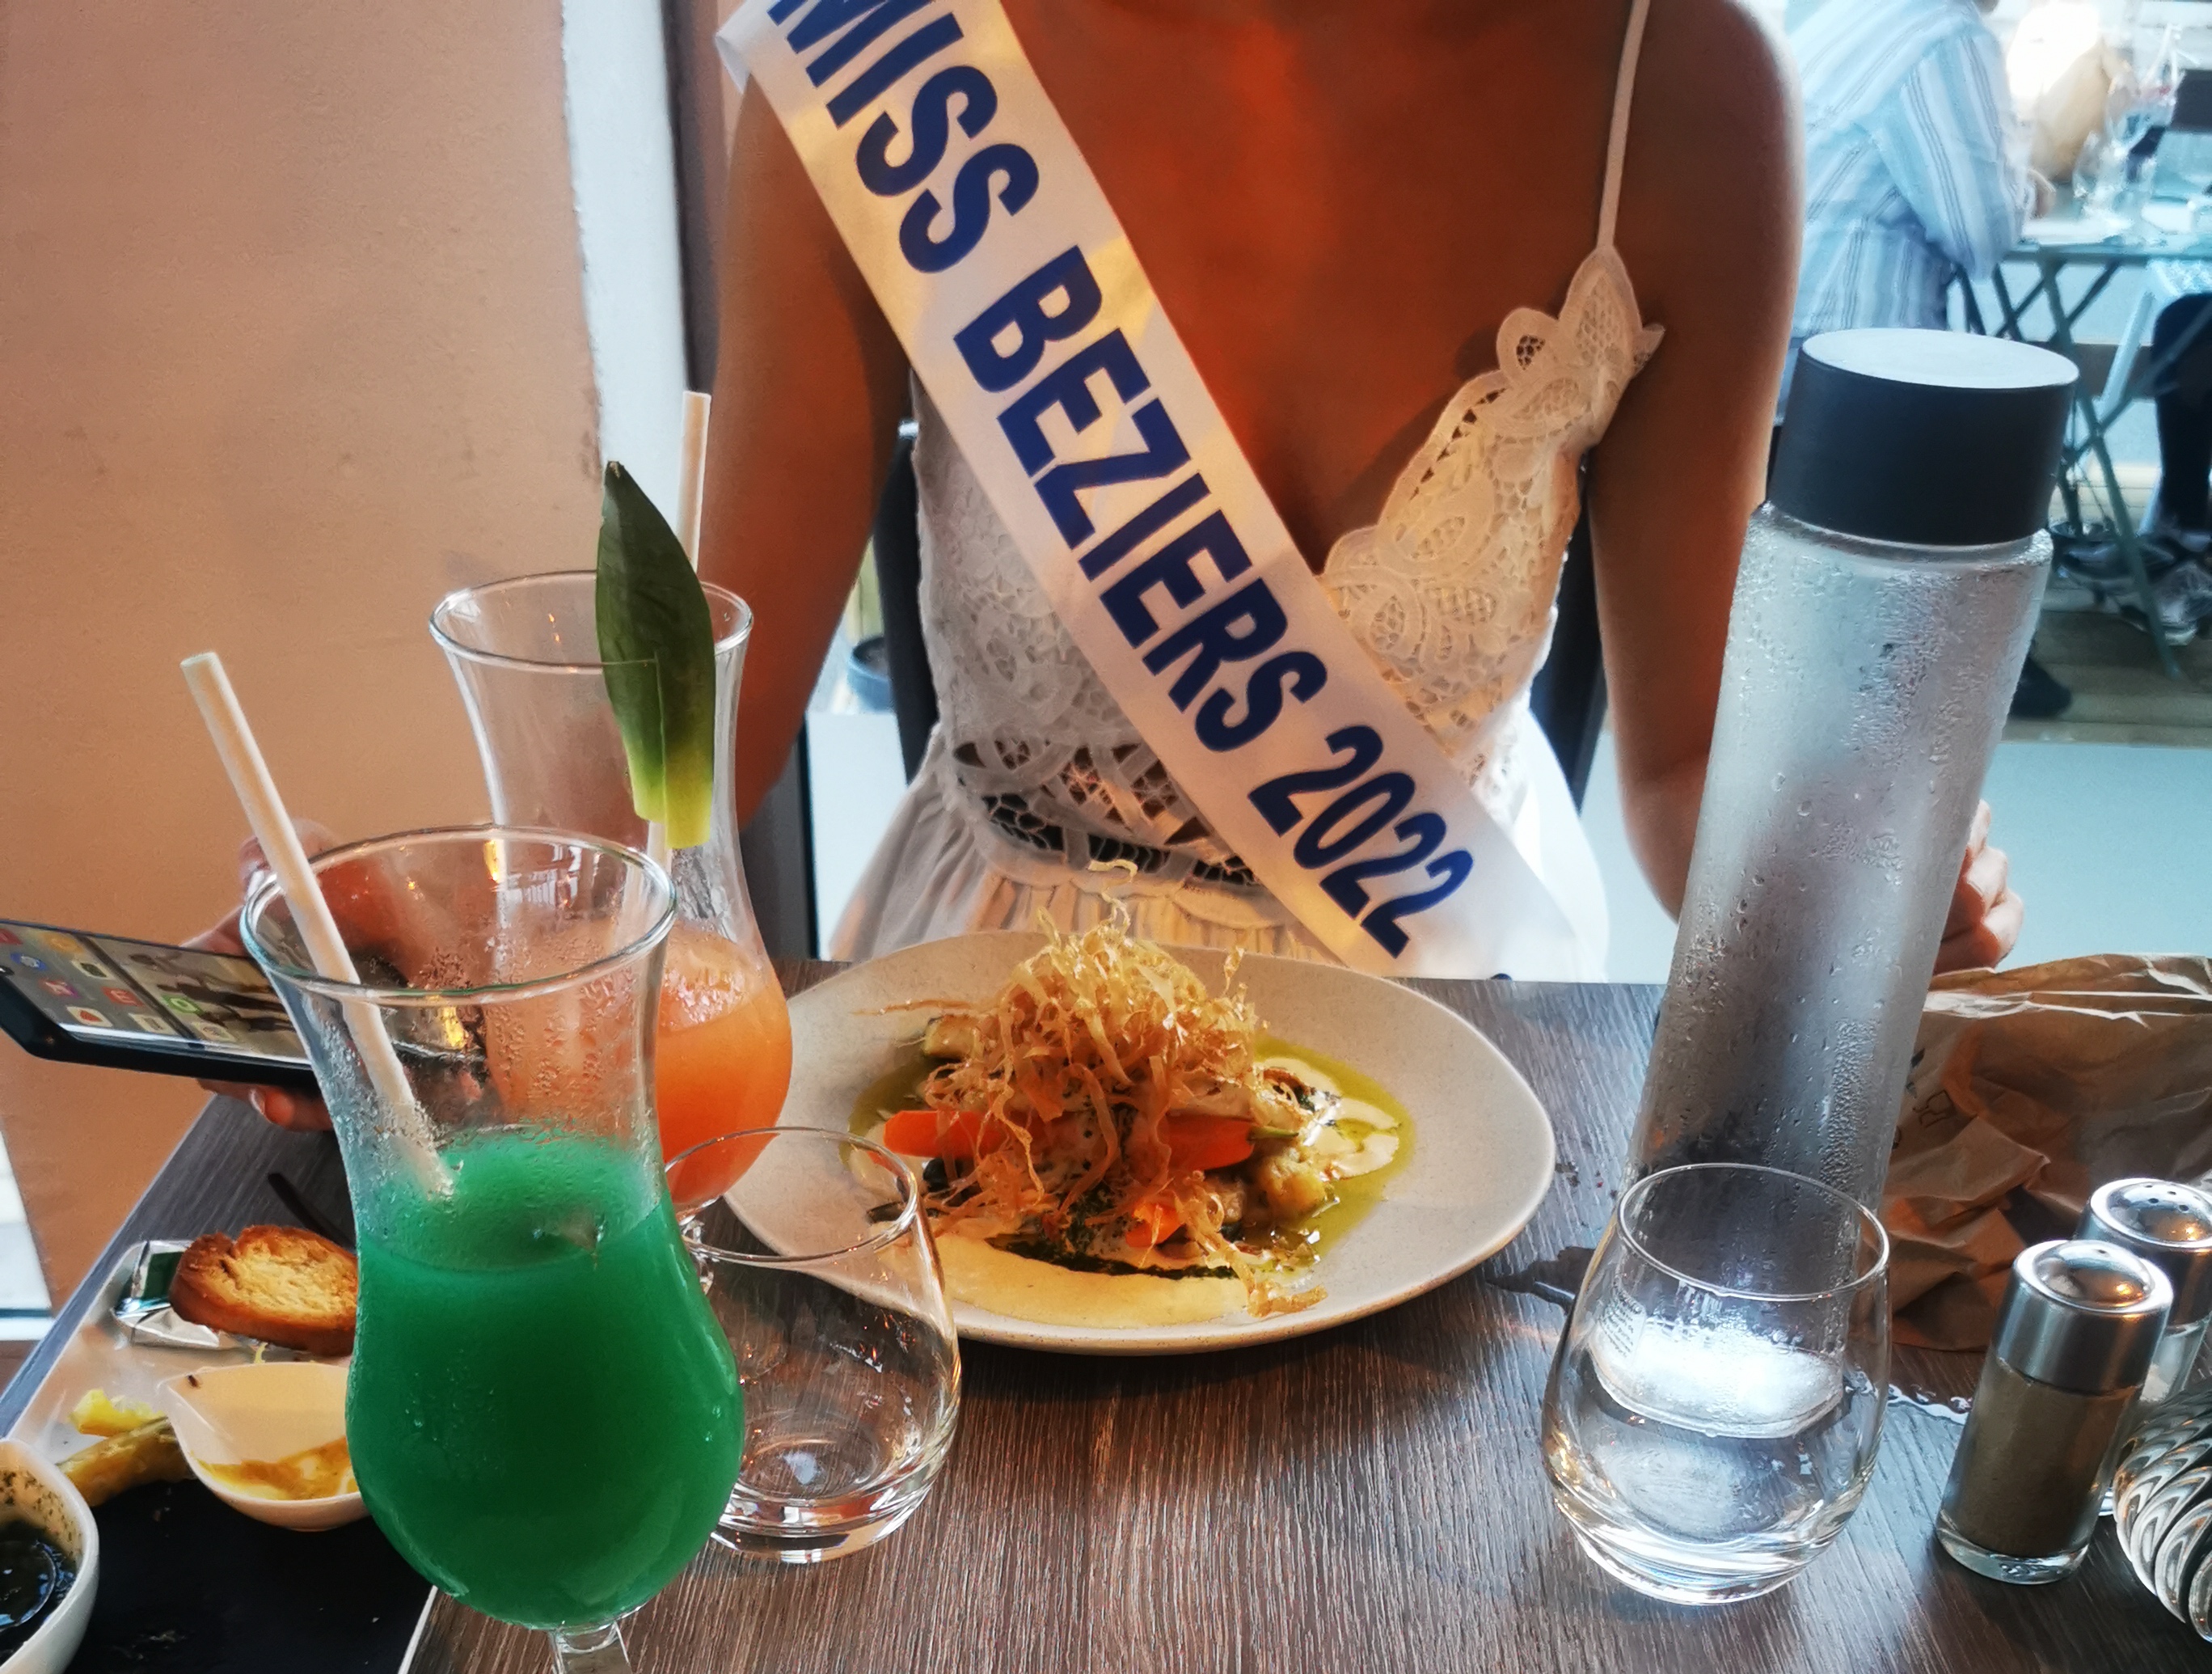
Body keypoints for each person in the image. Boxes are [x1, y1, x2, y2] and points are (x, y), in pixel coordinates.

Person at [704, 0, 2022, 979]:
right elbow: (703, 734)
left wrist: (1839, 879)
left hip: (1460, 1042)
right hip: (989, 1028)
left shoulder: (1681, 83)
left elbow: (1686, 765)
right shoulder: (889, 60)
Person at [1786, 0, 2067, 714]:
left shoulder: (1856, 12)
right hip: (1847, 351)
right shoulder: (1948, 34)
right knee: (2008, 405)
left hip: (1778, 332)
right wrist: (2028, 189)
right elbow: (1983, 230)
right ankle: (1951, 661)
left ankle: (1920, 654)